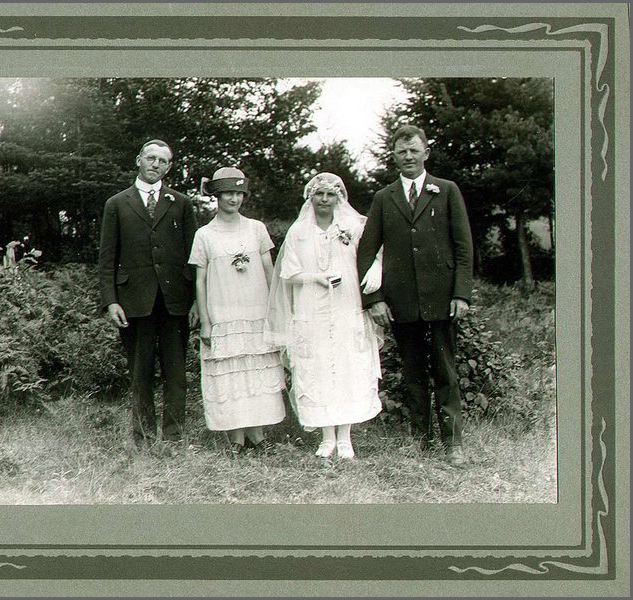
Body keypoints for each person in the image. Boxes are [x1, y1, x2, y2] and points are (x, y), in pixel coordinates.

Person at [356, 125, 473, 467]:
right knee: (413, 376)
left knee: (446, 374)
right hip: (400, 304)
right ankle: (420, 443)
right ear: (394, 157)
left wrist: (461, 295)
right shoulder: (383, 198)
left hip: (442, 302)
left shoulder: (447, 191)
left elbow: (464, 248)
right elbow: (366, 252)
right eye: (401, 152)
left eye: (413, 151)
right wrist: (374, 300)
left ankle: (453, 445)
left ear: (426, 152)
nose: (408, 157)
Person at [266, 172, 383, 460]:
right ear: (311, 197)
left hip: (346, 307)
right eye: (319, 194)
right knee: (317, 368)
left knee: (346, 367)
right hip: (312, 308)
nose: (325, 200)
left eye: (330, 195)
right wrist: (316, 277)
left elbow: (376, 251)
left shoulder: (352, 227)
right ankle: (327, 437)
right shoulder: (299, 232)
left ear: (339, 197)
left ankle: (345, 437)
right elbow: (289, 273)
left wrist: (376, 271)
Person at [98, 139, 198, 445]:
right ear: (138, 160)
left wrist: (195, 301)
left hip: (175, 301)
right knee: (140, 372)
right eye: (150, 158)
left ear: (169, 167)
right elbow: (106, 259)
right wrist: (111, 301)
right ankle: (142, 437)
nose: (155, 164)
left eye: (162, 161)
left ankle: (174, 437)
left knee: (176, 372)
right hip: (133, 302)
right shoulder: (117, 204)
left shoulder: (181, 203)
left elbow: (194, 256)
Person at [188, 168, 286, 456]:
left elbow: (269, 271)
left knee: (255, 374)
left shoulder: (256, 228)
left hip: (256, 312)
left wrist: (275, 310)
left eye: (238, 193)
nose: (234, 198)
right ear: (216, 196)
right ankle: (236, 440)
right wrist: (206, 321)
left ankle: (258, 436)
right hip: (223, 314)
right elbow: (200, 280)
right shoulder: (204, 235)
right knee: (231, 376)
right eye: (228, 192)